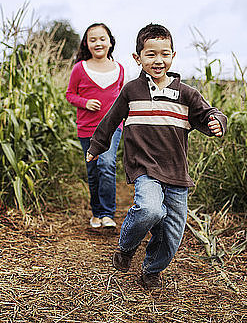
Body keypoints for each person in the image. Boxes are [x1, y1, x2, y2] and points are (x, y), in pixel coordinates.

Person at [86, 23, 227, 290]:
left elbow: (210, 112)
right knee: (150, 209)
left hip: (176, 172)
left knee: (172, 232)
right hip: (144, 168)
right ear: (137, 58)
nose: (158, 60)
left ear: (173, 55)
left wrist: (216, 121)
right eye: (150, 54)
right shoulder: (131, 91)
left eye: (164, 53)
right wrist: (96, 147)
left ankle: (152, 270)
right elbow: (110, 120)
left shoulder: (186, 94)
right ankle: (126, 247)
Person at [66, 23, 124, 229]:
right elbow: (70, 95)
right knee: (93, 171)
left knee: (107, 165)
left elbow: (121, 99)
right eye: (93, 39)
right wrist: (85, 103)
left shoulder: (119, 69)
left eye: (102, 38)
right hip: (87, 128)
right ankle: (97, 213)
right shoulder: (79, 68)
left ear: (110, 41)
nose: (98, 43)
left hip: (112, 128)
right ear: (86, 44)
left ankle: (108, 214)